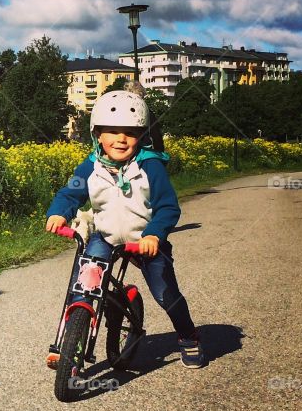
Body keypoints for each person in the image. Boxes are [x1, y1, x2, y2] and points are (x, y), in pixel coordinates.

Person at [44, 90, 205, 368]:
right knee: (83, 287)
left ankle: (188, 337)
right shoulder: (91, 166)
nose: (121, 139)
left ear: (141, 135)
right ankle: (70, 343)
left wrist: (154, 234)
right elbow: (70, 193)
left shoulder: (150, 166)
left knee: (166, 295)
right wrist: (59, 212)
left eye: (130, 133)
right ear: (97, 134)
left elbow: (168, 206)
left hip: (146, 241)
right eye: (112, 131)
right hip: (105, 238)